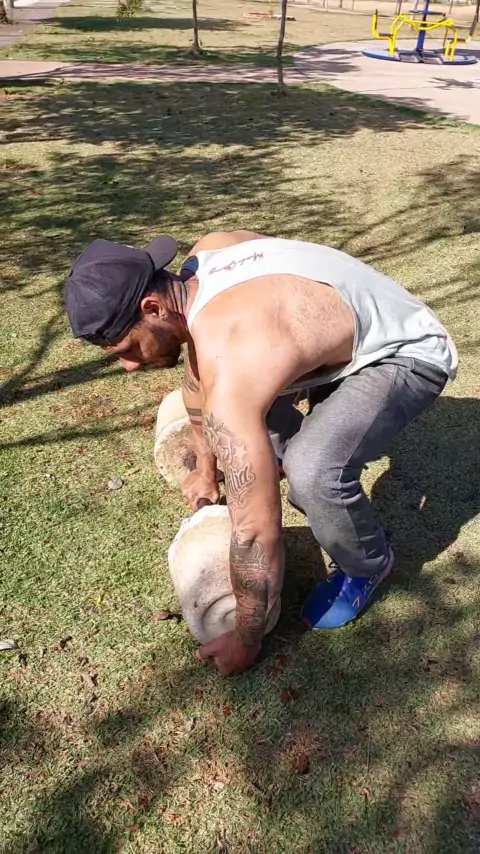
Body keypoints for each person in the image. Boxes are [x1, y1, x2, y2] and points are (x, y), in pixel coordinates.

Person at [64, 230, 457, 676]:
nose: (130, 365)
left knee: (313, 471)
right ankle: (292, 460)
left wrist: (245, 640)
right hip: (343, 335)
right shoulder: (207, 255)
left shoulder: (238, 353)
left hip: (405, 352)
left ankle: (368, 563)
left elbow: (253, 533)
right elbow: (198, 379)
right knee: (241, 421)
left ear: (153, 308)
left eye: (127, 349)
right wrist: (207, 467)